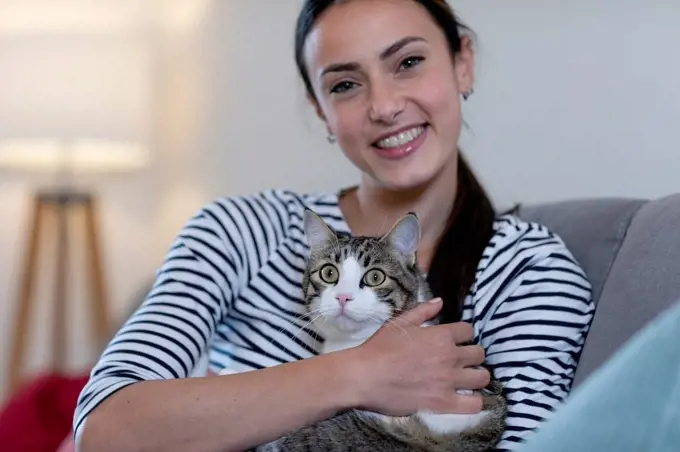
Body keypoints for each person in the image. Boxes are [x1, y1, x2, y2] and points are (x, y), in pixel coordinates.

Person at [72, 1, 595, 451]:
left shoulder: (527, 270)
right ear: (321, 111)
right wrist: (357, 374)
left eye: (408, 62)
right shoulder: (240, 230)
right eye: (345, 84)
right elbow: (105, 429)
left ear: (463, 63)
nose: (385, 106)